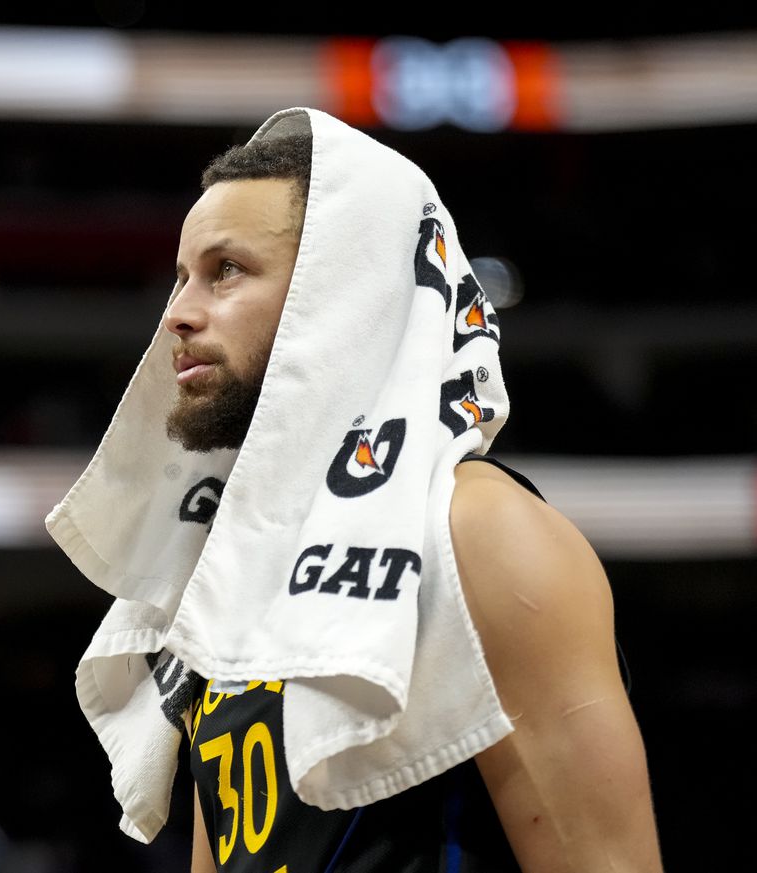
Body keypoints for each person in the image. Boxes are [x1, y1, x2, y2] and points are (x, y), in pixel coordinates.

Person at [47, 108, 661, 872]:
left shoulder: (482, 535)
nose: (176, 314)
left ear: (338, 295)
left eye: (225, 270)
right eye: (180, 278)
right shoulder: (222, 587)